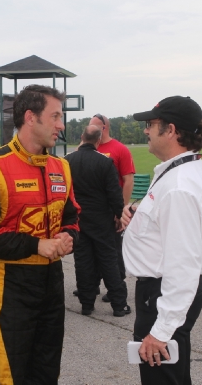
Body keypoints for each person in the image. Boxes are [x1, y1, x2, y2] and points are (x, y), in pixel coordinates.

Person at [0, 84, 80, 384]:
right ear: (31, 117)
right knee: (10, 375)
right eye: (55, 116)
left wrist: (69, 237)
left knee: (47, 373)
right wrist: (36, 245)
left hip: (53, 283)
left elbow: (72, 218)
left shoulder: (62, 167)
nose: (61, 125)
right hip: (11, 285)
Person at [120, 96, 202, 384]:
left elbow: (183, 263)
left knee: (161, 379)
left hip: (162, 294)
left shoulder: (179, 186)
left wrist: (161, 331)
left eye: (151, 124)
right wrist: (138, 217)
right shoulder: (185, 169)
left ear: (171, 130)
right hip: (163, 292)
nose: (146, 130)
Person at [65, 125, 128, 316]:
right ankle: (118, 304)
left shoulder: (67, 161)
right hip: (101, 220)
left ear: (82, 137)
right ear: (99, 140)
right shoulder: (105, 162)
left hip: (77, 219)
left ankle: (86, 303)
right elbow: (114, 194)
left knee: (83, 261)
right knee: (108, 260)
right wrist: (119, 215)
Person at [82, 113, 136, 302]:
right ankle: (90, 286)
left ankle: (115, 289)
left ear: (104, 128)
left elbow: (128, 180)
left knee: (112, 253)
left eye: (94, 125)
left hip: (111, 210)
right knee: (89, 252)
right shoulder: (87, 148)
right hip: (92, 212)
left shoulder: (119, 149)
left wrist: (120, 211)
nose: (90, 128)